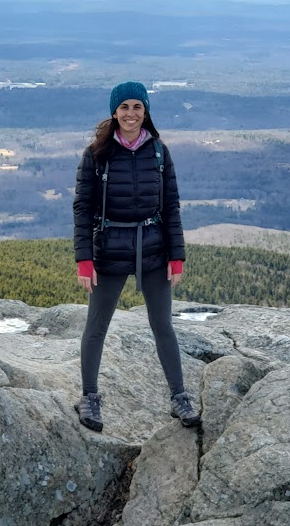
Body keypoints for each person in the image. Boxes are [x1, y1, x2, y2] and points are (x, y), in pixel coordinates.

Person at [72, 80, 201, 433]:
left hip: (154, 248)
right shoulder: (97, 154)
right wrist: (84, 260)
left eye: (138, 107)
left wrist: (178, 256)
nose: (131, 114)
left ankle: (179, 396)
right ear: (114, 112)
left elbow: (171, 206)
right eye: (125, 107)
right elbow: (83, 209)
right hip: (110, 248)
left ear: (146, 112)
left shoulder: (159, 152)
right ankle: (89, 397)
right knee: (96, 327)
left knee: (163, 326)